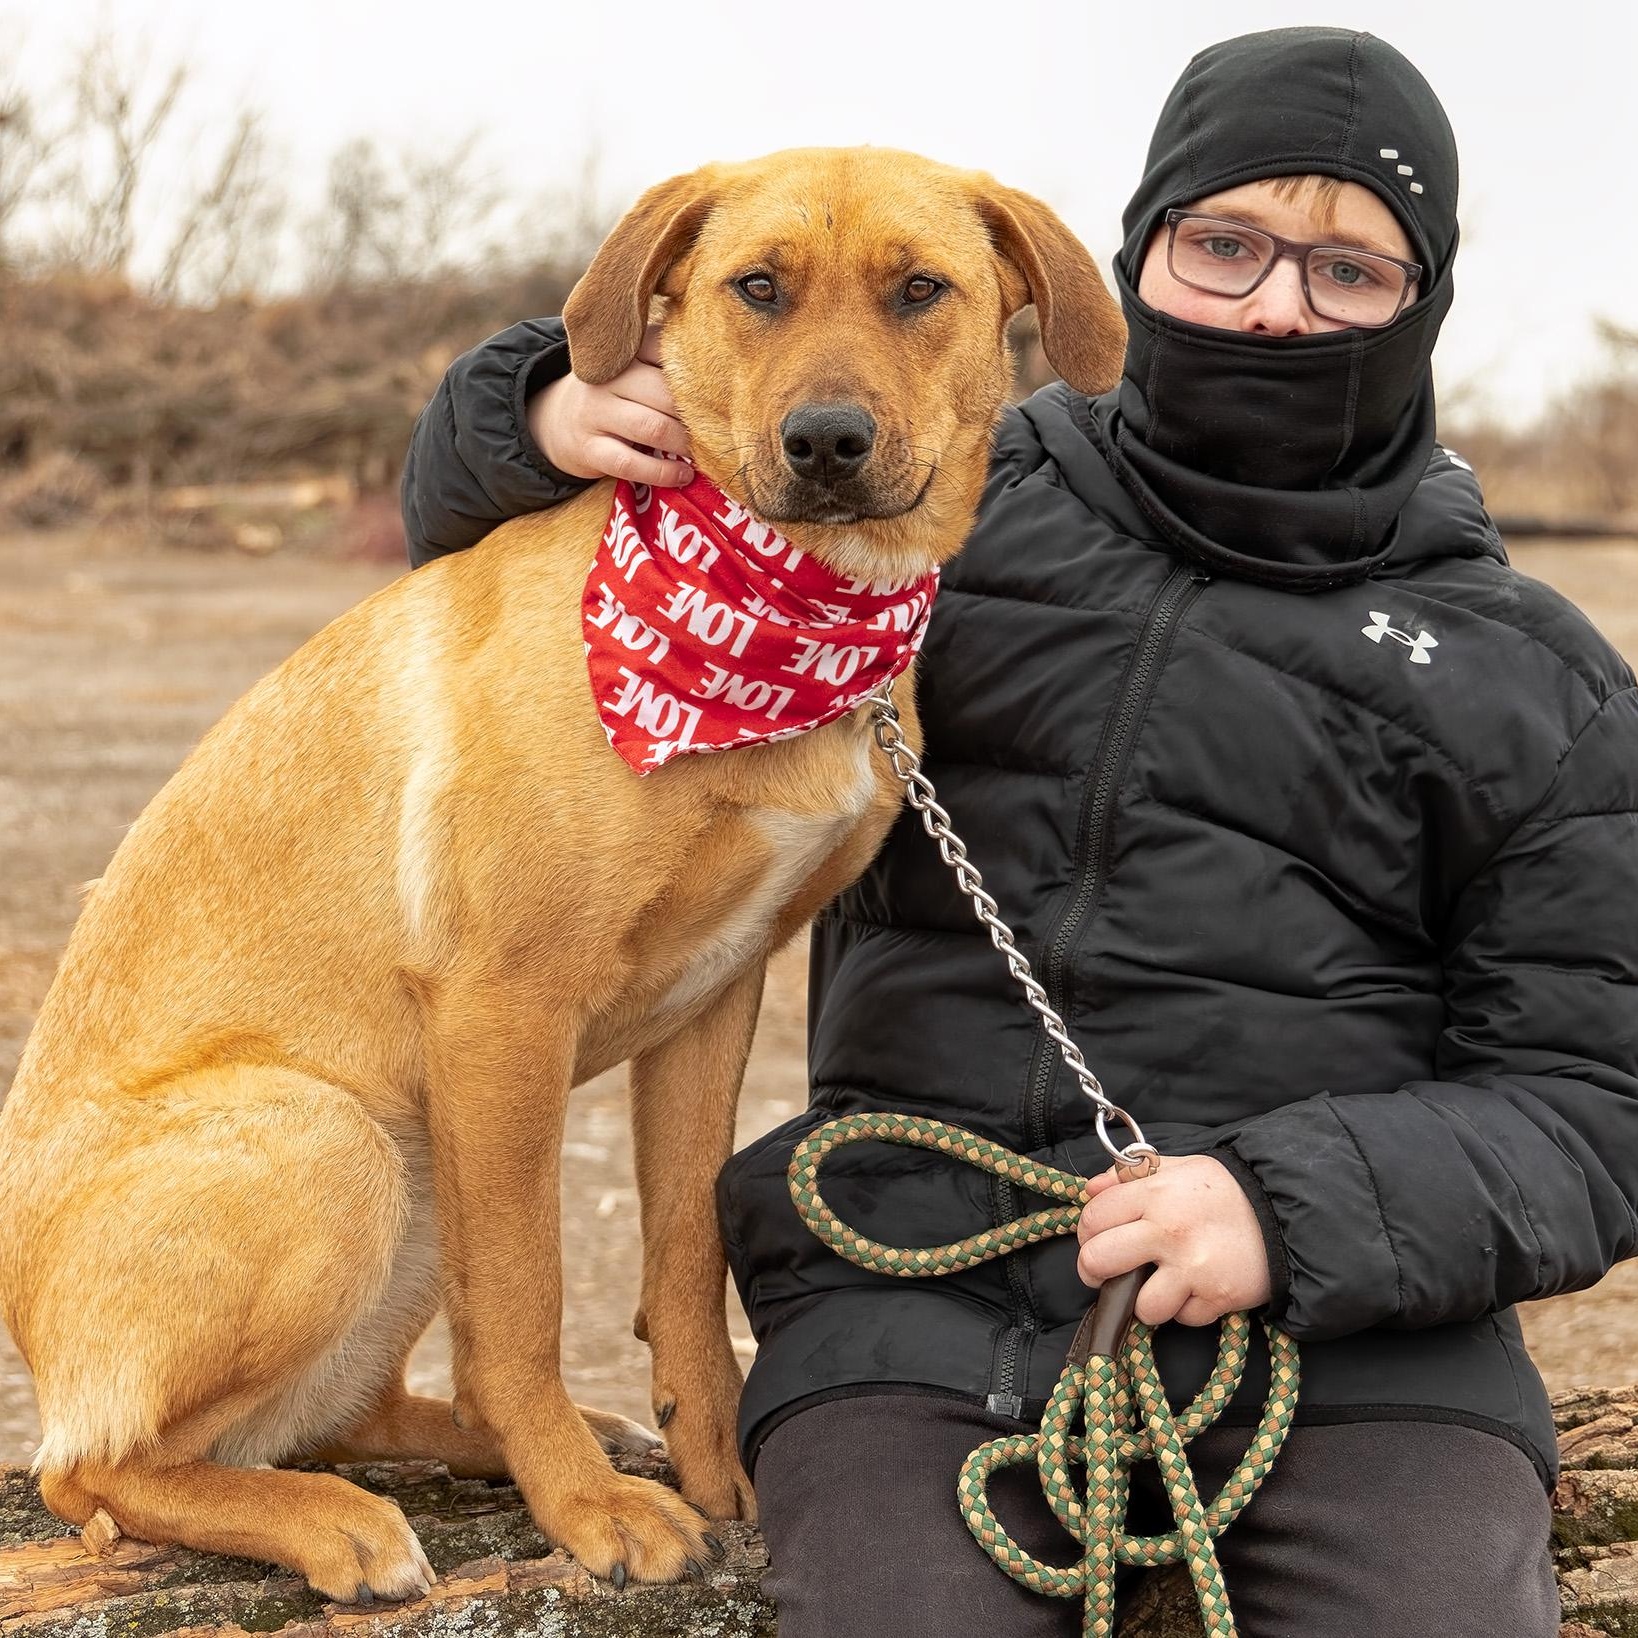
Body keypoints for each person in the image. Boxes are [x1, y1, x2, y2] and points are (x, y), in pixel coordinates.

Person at [398, 27, 1638, 1637]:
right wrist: (528, 410)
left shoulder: (1530, 675)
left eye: (1346, 270)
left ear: (1424, 301)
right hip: (911, 1292)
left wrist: (1285, 1210)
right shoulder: (930, 523)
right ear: (1125, 269)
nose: (1275, 304)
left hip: (1356, 1350)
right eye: (1225, 245)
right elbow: (542, 551)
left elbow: (1594, 1098)